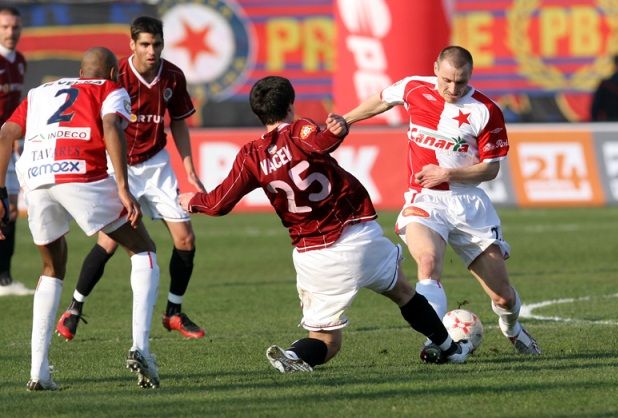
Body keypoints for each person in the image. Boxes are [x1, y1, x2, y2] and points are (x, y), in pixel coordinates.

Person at [178, 75, 473, 373]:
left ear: (258, 113)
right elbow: (321, 142)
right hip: (357, 237)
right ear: (291, 105)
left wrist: (192, 201)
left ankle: (294, 355)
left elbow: (218, 203)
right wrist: (338, 130)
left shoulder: (250, 155)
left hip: (314, 256)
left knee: (327, 341)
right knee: (404, 293)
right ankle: (449, 348)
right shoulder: (300, 129)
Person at [343, 45, 541, 355]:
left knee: (502, 296)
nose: (452, 88)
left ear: (470, 76)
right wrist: (345, 120)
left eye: (460, 82)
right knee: (428, 262)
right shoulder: (414, 87)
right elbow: (382, 100)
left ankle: (512, 328)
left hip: (468, 205)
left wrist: (446, 174)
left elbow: (491, 169)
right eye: (447, 79)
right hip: (425, 200)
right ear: (436, 68)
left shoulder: (485, 111)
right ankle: (437, 341)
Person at [0, 47, 161, 390]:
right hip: (81, 172)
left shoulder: (39, 92)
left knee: (51, 268)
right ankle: (141, 349)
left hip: (36, 177)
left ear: (80, 70)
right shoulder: (110, 89)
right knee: (143, 249)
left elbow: (5, 135)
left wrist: (0, 192)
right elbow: (110, 126)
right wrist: (121, 185)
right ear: (114, 74)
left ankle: (38, 374)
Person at [56, 16, 206, 341]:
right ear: (132, 45)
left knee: (186, 239)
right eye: (145, 44)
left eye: (157, 44)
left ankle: (174, 312)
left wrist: (189, 166)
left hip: (157, 164)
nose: (152, 51)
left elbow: (178, 121)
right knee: (109, 242)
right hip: (120, 167)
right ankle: (74, 308)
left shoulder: (173, 77)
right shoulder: (117, 74)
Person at [0, 6, 33, 296]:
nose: (11, 32)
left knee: (10, 210)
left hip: (8, 146)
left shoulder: (19, 61)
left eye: (15, 27)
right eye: (5, 27)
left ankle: (5, 279)